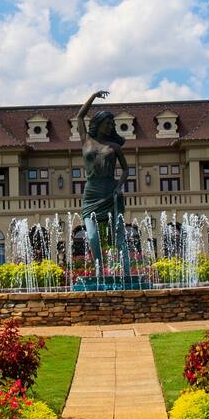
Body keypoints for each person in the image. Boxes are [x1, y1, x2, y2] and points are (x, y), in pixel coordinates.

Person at [74, 90, 131, 278]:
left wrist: (118, 186)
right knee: (91, 236)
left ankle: (126, 273)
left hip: (110, 190)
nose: (111, 126)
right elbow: (80, 116)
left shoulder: (114, 147)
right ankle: (99, 272)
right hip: (91, 192)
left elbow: (126, 169)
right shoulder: (86, 140)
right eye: (108, 123)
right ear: (99, 123)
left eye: (112, 124)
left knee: (119, 238)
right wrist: (93, 96)